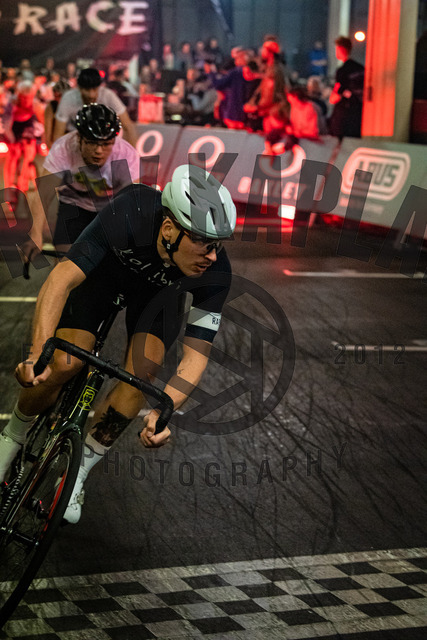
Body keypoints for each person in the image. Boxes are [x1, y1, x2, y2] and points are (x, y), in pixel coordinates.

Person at [0, 164, 236, 525]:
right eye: (203, 242)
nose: (213, 255)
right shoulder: (130, 211)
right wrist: (37, 354)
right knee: (62, 363)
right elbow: (60, 280)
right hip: (104, 277)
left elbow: (196, 355)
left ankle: (78, 472)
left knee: (141, 378)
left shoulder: (215, 272)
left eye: (217, 244)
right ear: (169, 229)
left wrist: (165, 410)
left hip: (158, 298)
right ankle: (11, 437)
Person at [28, 103, 140, 253]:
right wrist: (35, 234)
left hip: (110, 208)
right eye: (92, 143)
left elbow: (131, 202)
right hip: (74, 203)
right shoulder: (63, 148)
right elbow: (43, 195)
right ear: (79, 138)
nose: (98, 151)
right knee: (65, 256)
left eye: (106, 144)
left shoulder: (126, 155)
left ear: (114, 140)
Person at [53, 67, 137, 146]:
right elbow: (58, 135)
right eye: (87, 90)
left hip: (103, 142)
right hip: (75, 142)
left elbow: (128, 127)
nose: (91, 95)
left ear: (100, 87)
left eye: (94, 89)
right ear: (79, 88)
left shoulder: (108, 96)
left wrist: (131, 154)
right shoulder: (68, 98)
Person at [328, 36, 364, 139]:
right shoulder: (361, 68)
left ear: (341, 49)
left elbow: (335, 97)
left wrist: (332, 97)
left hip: (344, 116)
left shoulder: (342, 70)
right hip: (358, 113)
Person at [43, 79, 70, 148]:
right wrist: (50, 145)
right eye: (56, 96)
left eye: (60, 96)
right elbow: (48, 131)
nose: (59, 100)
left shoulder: (74, 106)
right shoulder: (52, 106)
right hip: (58, 143)